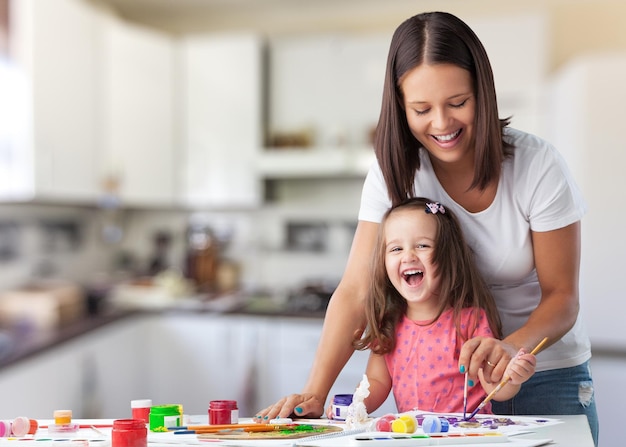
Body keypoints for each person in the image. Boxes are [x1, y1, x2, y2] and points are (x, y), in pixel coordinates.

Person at [255, 11, 599, 446]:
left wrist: (511, 348)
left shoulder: (537, 166)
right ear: (400, 106)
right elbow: (357, 290)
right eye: (421, 109)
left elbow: (562, 298)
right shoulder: (394, 172)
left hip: (544, 373)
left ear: (483, 93)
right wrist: (316, 392)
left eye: (458, 103)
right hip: (450, 396)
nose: (441, 124)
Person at [329, 198, 537, 416]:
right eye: (396, 248)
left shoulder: (471, 320)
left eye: (422, 246)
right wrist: (354, 406)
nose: (408, 256)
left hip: (468, 437)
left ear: (447, 256)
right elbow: (376, 381)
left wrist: (512, 377)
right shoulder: (389, 323)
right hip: (416, 437)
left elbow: (496, 388)